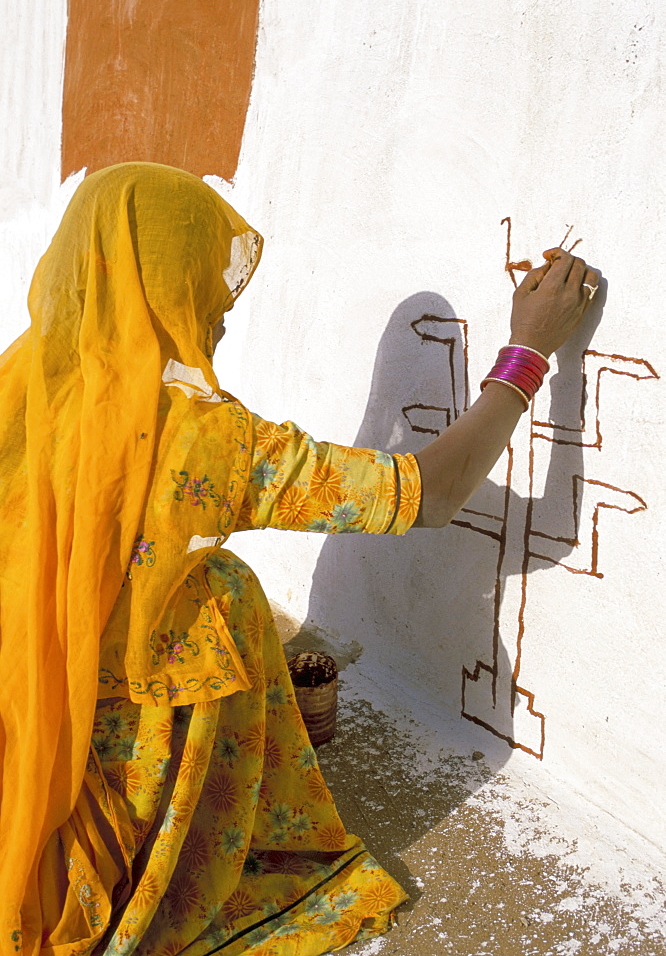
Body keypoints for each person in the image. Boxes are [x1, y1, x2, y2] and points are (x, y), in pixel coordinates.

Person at [0, 163, 597, 956]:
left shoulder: (21, 380)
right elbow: (431, 492)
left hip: (26, 726)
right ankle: (166, 831)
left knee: (210, 579)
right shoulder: (207, 440)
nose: (216, 313)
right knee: (229, 596)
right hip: (110, 759)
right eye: (207, 285)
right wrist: (528, 353)